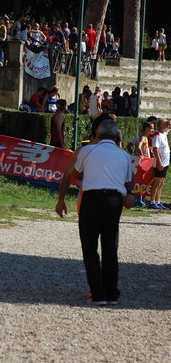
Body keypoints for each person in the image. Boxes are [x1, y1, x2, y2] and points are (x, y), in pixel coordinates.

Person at [57, 119, 134, 306]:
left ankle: (98, 293)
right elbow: (130, 179)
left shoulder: (87, 150)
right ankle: (111, 293)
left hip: (92, 200)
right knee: (110, 247)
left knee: (90, 248)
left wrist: (61, 199)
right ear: (117, 136)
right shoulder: (123, 155)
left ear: (97, 133)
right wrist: (129, 193)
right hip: (114, 201)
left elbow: (75, 173)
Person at [148, 118, 171, 209]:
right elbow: (155, 149)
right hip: (159, 162)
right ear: (161, 125)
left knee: (161, 183)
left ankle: (158, 201)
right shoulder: (157, 136)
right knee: (157, 183)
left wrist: (168, 123)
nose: (167, 125)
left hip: (165, 162)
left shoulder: (163, 134)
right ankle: (152, 201)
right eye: (165, 124)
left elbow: (170, 126)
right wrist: (159, 162)